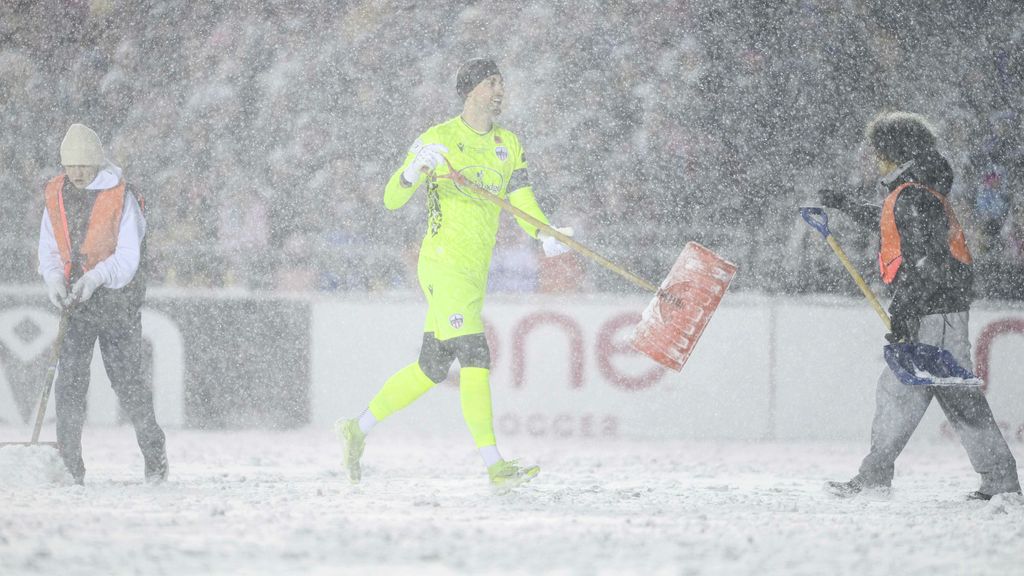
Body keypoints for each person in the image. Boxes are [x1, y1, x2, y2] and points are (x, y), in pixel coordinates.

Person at [334, 58, 572, 489]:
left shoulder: (509, 143)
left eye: (502, 83)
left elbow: (521, 202)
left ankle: (357, 427)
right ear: (469, 90)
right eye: (490, 83)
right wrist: (411, 170)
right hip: (442, 263)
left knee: (431, 366)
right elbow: (390, 198)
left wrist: (545, 235)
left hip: (474, 271)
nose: (499, 90)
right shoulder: (437, 139)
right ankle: (494, 465)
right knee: (476, 354)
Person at [818, 111, 1020, 500]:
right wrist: (845, 204)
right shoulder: (914, 192)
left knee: (945, 395)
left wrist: (906, 311)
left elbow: (927, 262)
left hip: (933, 313)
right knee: (910, 391)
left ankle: (998, 480)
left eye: (878, 150)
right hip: (935, 309)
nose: (874, 158)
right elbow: (893, 224)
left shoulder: (914, 195)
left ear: (894, 152)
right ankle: (881, 474)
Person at [38, 123, 167, 485]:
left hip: (116, 302)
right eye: (71, 165)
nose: (77, 172)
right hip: (76, 302)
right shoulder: (55, 194)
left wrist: (94, 278)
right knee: (70, 385)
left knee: (128, 383)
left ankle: (154, 453)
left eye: (83, 165)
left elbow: (128, 258)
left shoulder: (122, 196)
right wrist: (53, 280)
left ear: (97, 162)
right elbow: (48, 248)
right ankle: (70, 466)